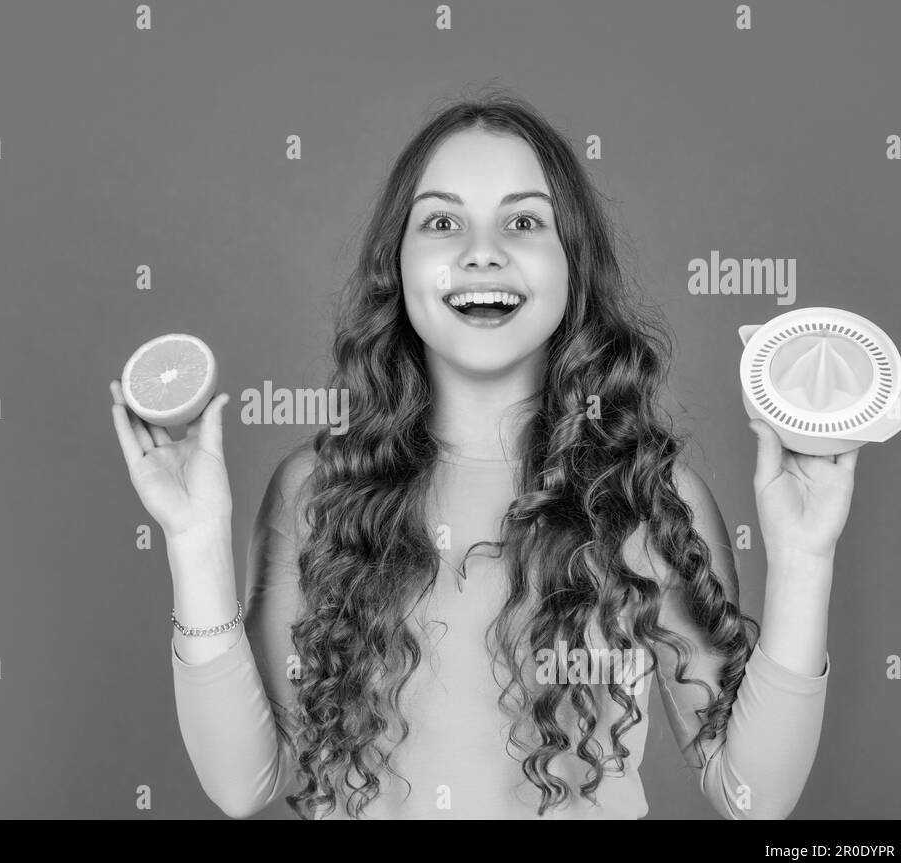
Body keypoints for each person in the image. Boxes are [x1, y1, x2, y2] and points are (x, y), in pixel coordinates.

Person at [109, 91, 858, 820]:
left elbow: (754, 797)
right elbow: (243, 785)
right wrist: (194, 538)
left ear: (574, 266)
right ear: (397, 266)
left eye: (524, 221)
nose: (482, 253)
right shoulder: (316, 492)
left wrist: (803, 557)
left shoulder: (650, 497)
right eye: (441, 221)